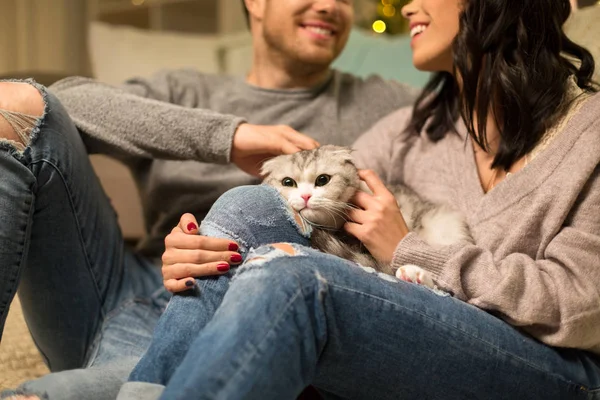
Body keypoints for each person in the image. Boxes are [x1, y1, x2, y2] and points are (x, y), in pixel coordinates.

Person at [117, 0, 600, 398]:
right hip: (425, 332)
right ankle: (141, 388)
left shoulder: (590, 130)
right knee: (249, 207)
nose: (407, 6)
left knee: (297, 280)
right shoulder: (414, 128)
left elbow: (579, 307)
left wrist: (410, 248)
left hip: (552, 369)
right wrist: (207, 244)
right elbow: (299, 206)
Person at [0, 1, 417, 399]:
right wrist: (229, 137)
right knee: (12, 105)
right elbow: (65, 100)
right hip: (125, 287)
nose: (329, 5)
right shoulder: (188, 89)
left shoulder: (382, 103)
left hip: (241, 315)